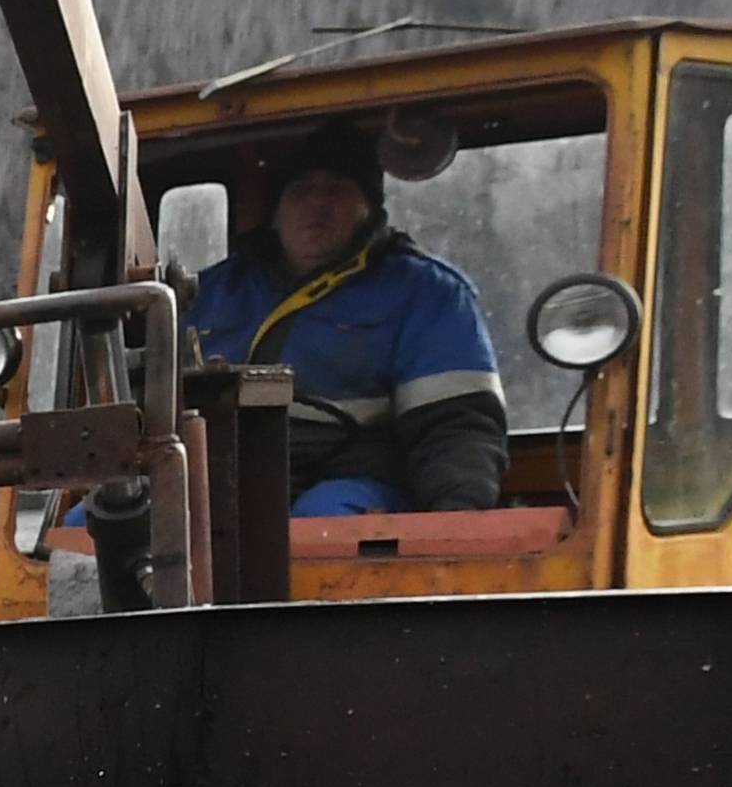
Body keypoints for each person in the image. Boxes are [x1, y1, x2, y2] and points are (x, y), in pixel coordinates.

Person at [183, 118, 512, 516]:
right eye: (302, 189)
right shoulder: (211, 292)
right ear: (277, 211)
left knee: (324, 524)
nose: (317, 203)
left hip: (349, 477)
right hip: (214, 477)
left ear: (370, 209)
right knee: (94, 527)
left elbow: (456, 425)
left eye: (337, 189)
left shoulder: (427, 294)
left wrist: (457, 516)